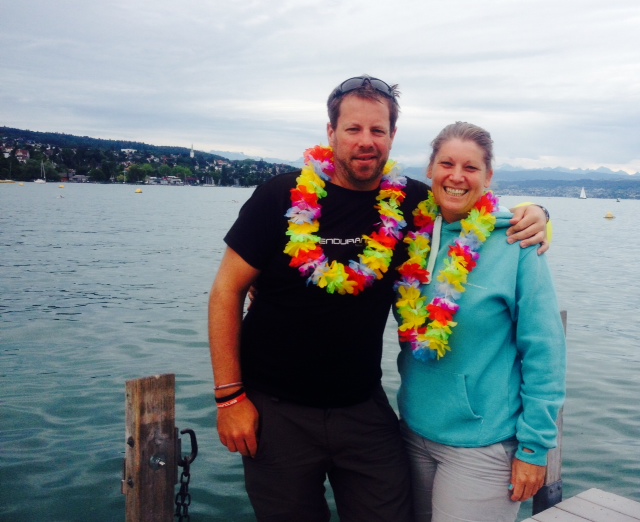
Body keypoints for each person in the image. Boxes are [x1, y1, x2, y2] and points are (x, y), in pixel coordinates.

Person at [208, 77, 549, 522]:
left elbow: (469, 202)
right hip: (276, 411)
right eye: (353, 129)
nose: (365, 141)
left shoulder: (412, 202)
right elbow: (226, 291)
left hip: (363, 408)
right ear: (331, 132)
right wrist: (230, 397)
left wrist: (538, 214)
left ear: (392, 136)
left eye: (378, 130)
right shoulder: (280, 196)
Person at [395, 122, 566, 522]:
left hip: (483, 445)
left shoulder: (517, 242)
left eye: (470, 167)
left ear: (488, 177)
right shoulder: (411, 237)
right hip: (412, 432)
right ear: (430, 170)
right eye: (447, 164)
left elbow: (545, 351)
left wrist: (535, 447)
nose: (456, 176)